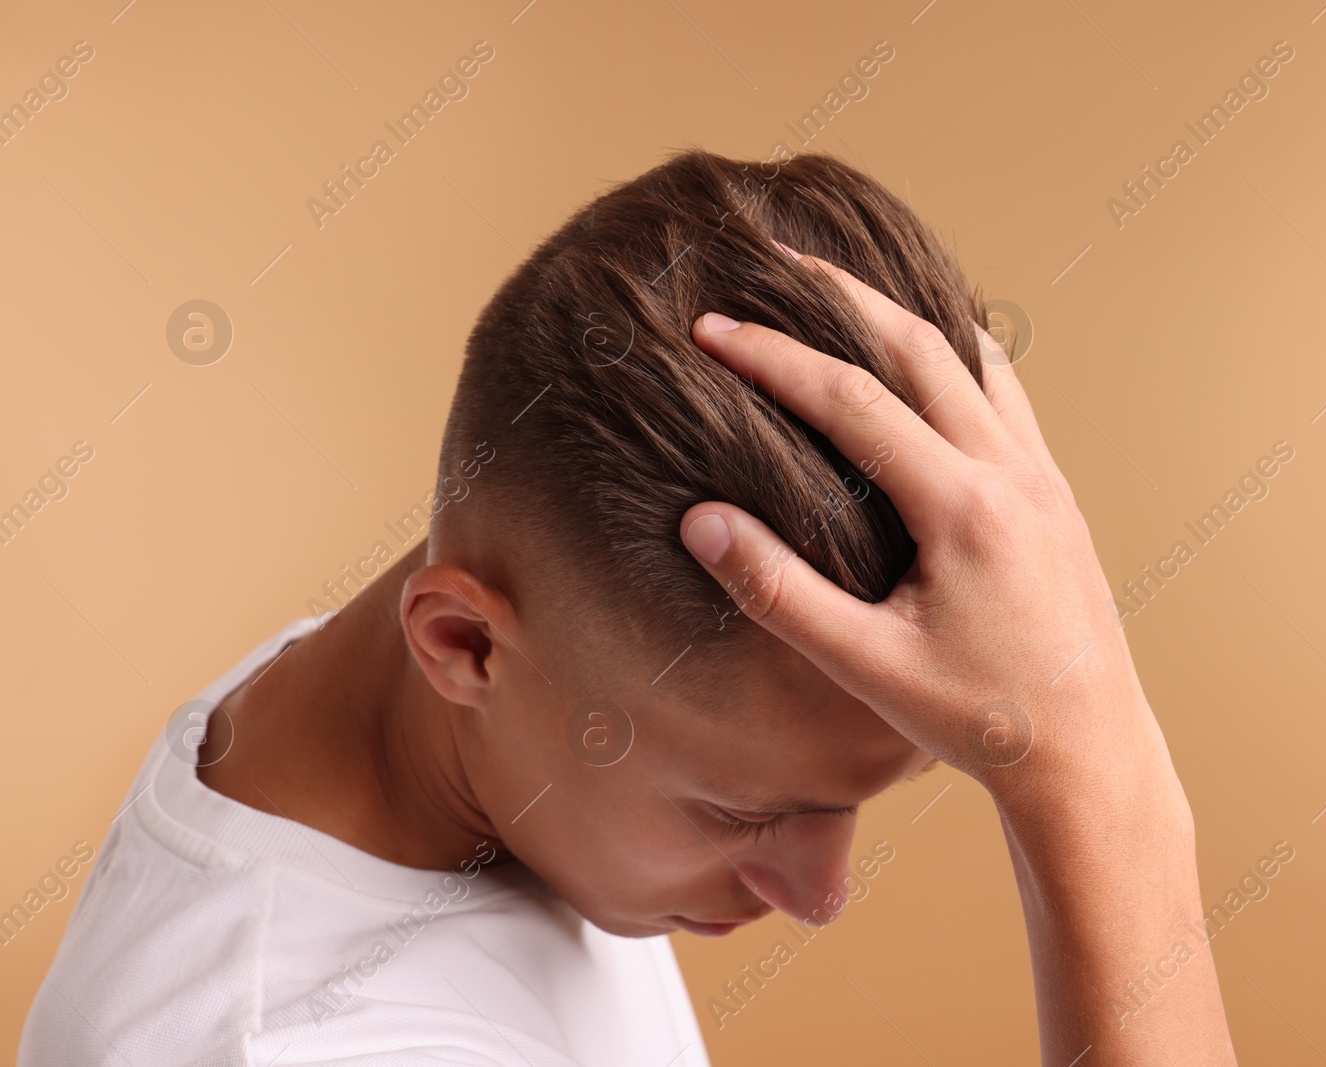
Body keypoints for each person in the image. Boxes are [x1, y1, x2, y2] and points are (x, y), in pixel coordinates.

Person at [19, 150, 1236, 1065]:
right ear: (461, 642)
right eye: (739, 810)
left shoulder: (402, 697)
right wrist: (1093, 771)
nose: (820, 895)